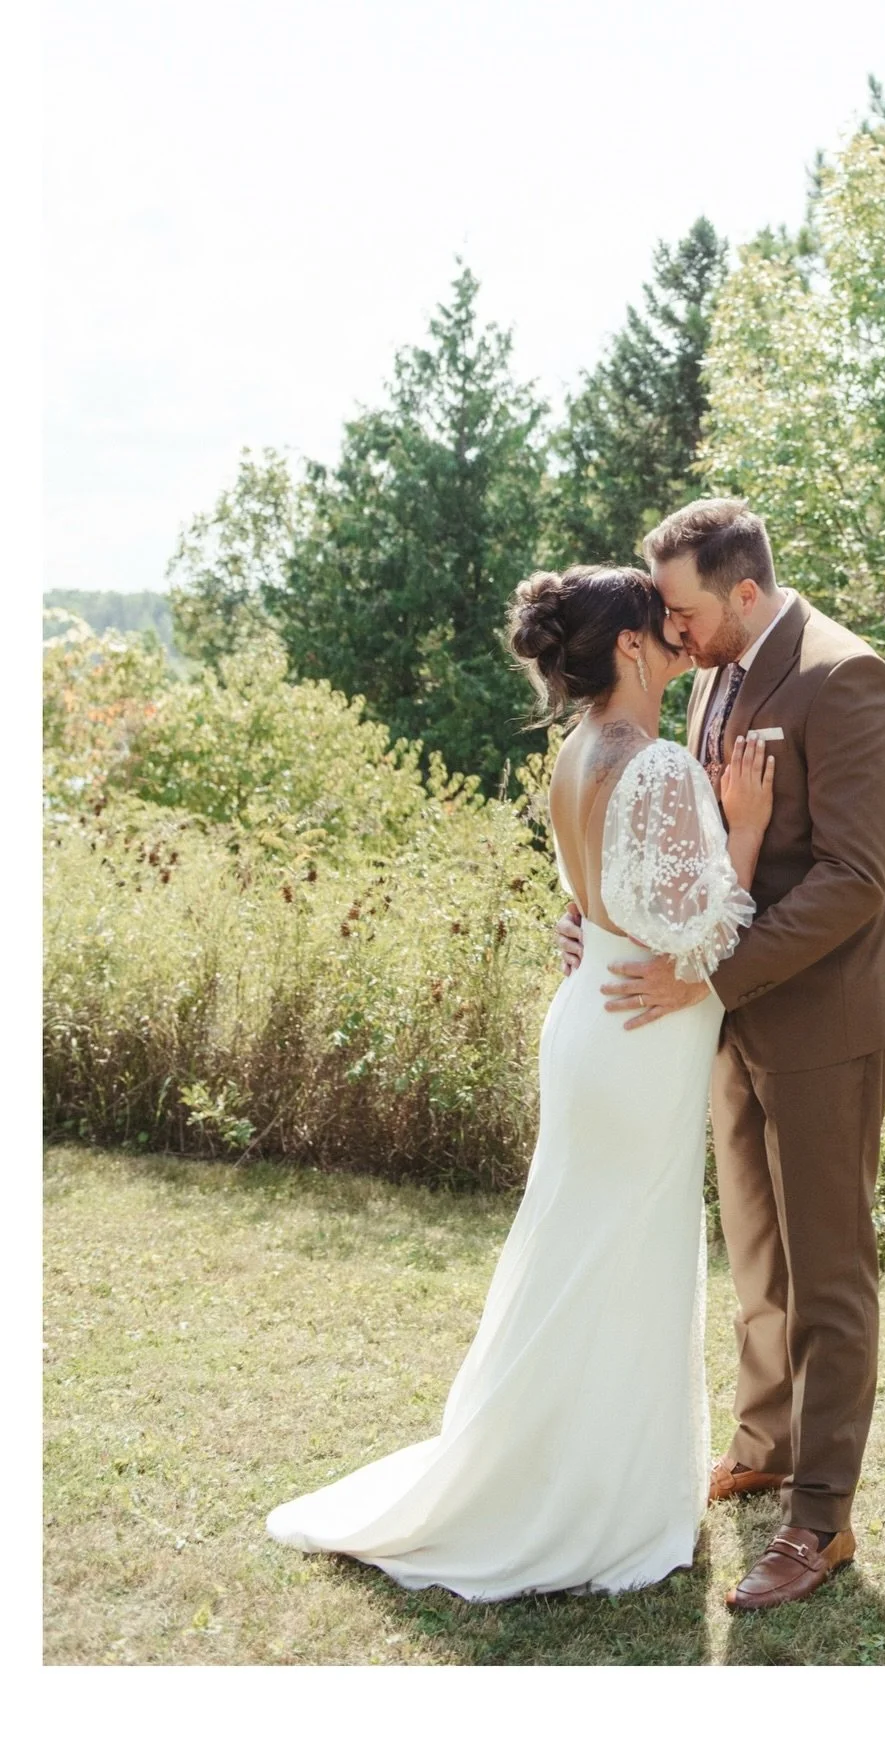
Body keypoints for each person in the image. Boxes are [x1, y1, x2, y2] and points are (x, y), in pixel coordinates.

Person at [266, 564, 776, 1601]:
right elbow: (704, 928)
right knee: (617, 1259)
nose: (679, 631)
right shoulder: (663, 767)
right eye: (661, 620)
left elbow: (607, 903)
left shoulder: (576, 755)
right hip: (637, 1042)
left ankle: (560, 1471)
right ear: (631, 646)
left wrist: (605, 926)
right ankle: (593, 1505)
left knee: (580, 1254)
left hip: (595, 1019)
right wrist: (750, 825)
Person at [559, 498, 885, 1612]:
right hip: (720, 1014)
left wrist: (713, 975)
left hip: (822, 1022)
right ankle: (764, 1444)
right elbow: (696, 843)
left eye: (682, 608)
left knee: (829, 1270)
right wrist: (616, 920)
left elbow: (856, 881)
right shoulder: (722, 665)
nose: (672, 631)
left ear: (746, 597)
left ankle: (818, 1520)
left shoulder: (848, 678)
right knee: (759, 1257)